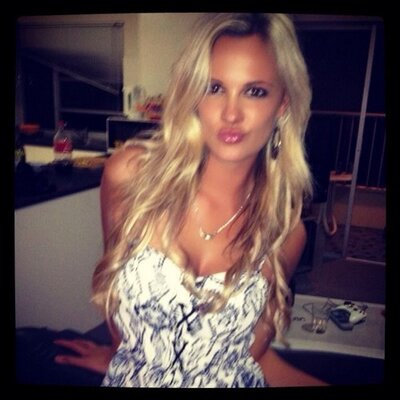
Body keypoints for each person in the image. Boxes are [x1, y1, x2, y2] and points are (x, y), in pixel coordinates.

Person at [54, 12, 327, 387]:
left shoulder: (286, 234)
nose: (231, 113)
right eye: (214, 87)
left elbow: (247, 357)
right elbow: (117, 307)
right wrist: (129, 358)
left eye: (255, 91)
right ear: (194, 94)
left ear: (282, 104)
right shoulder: (131, 177)